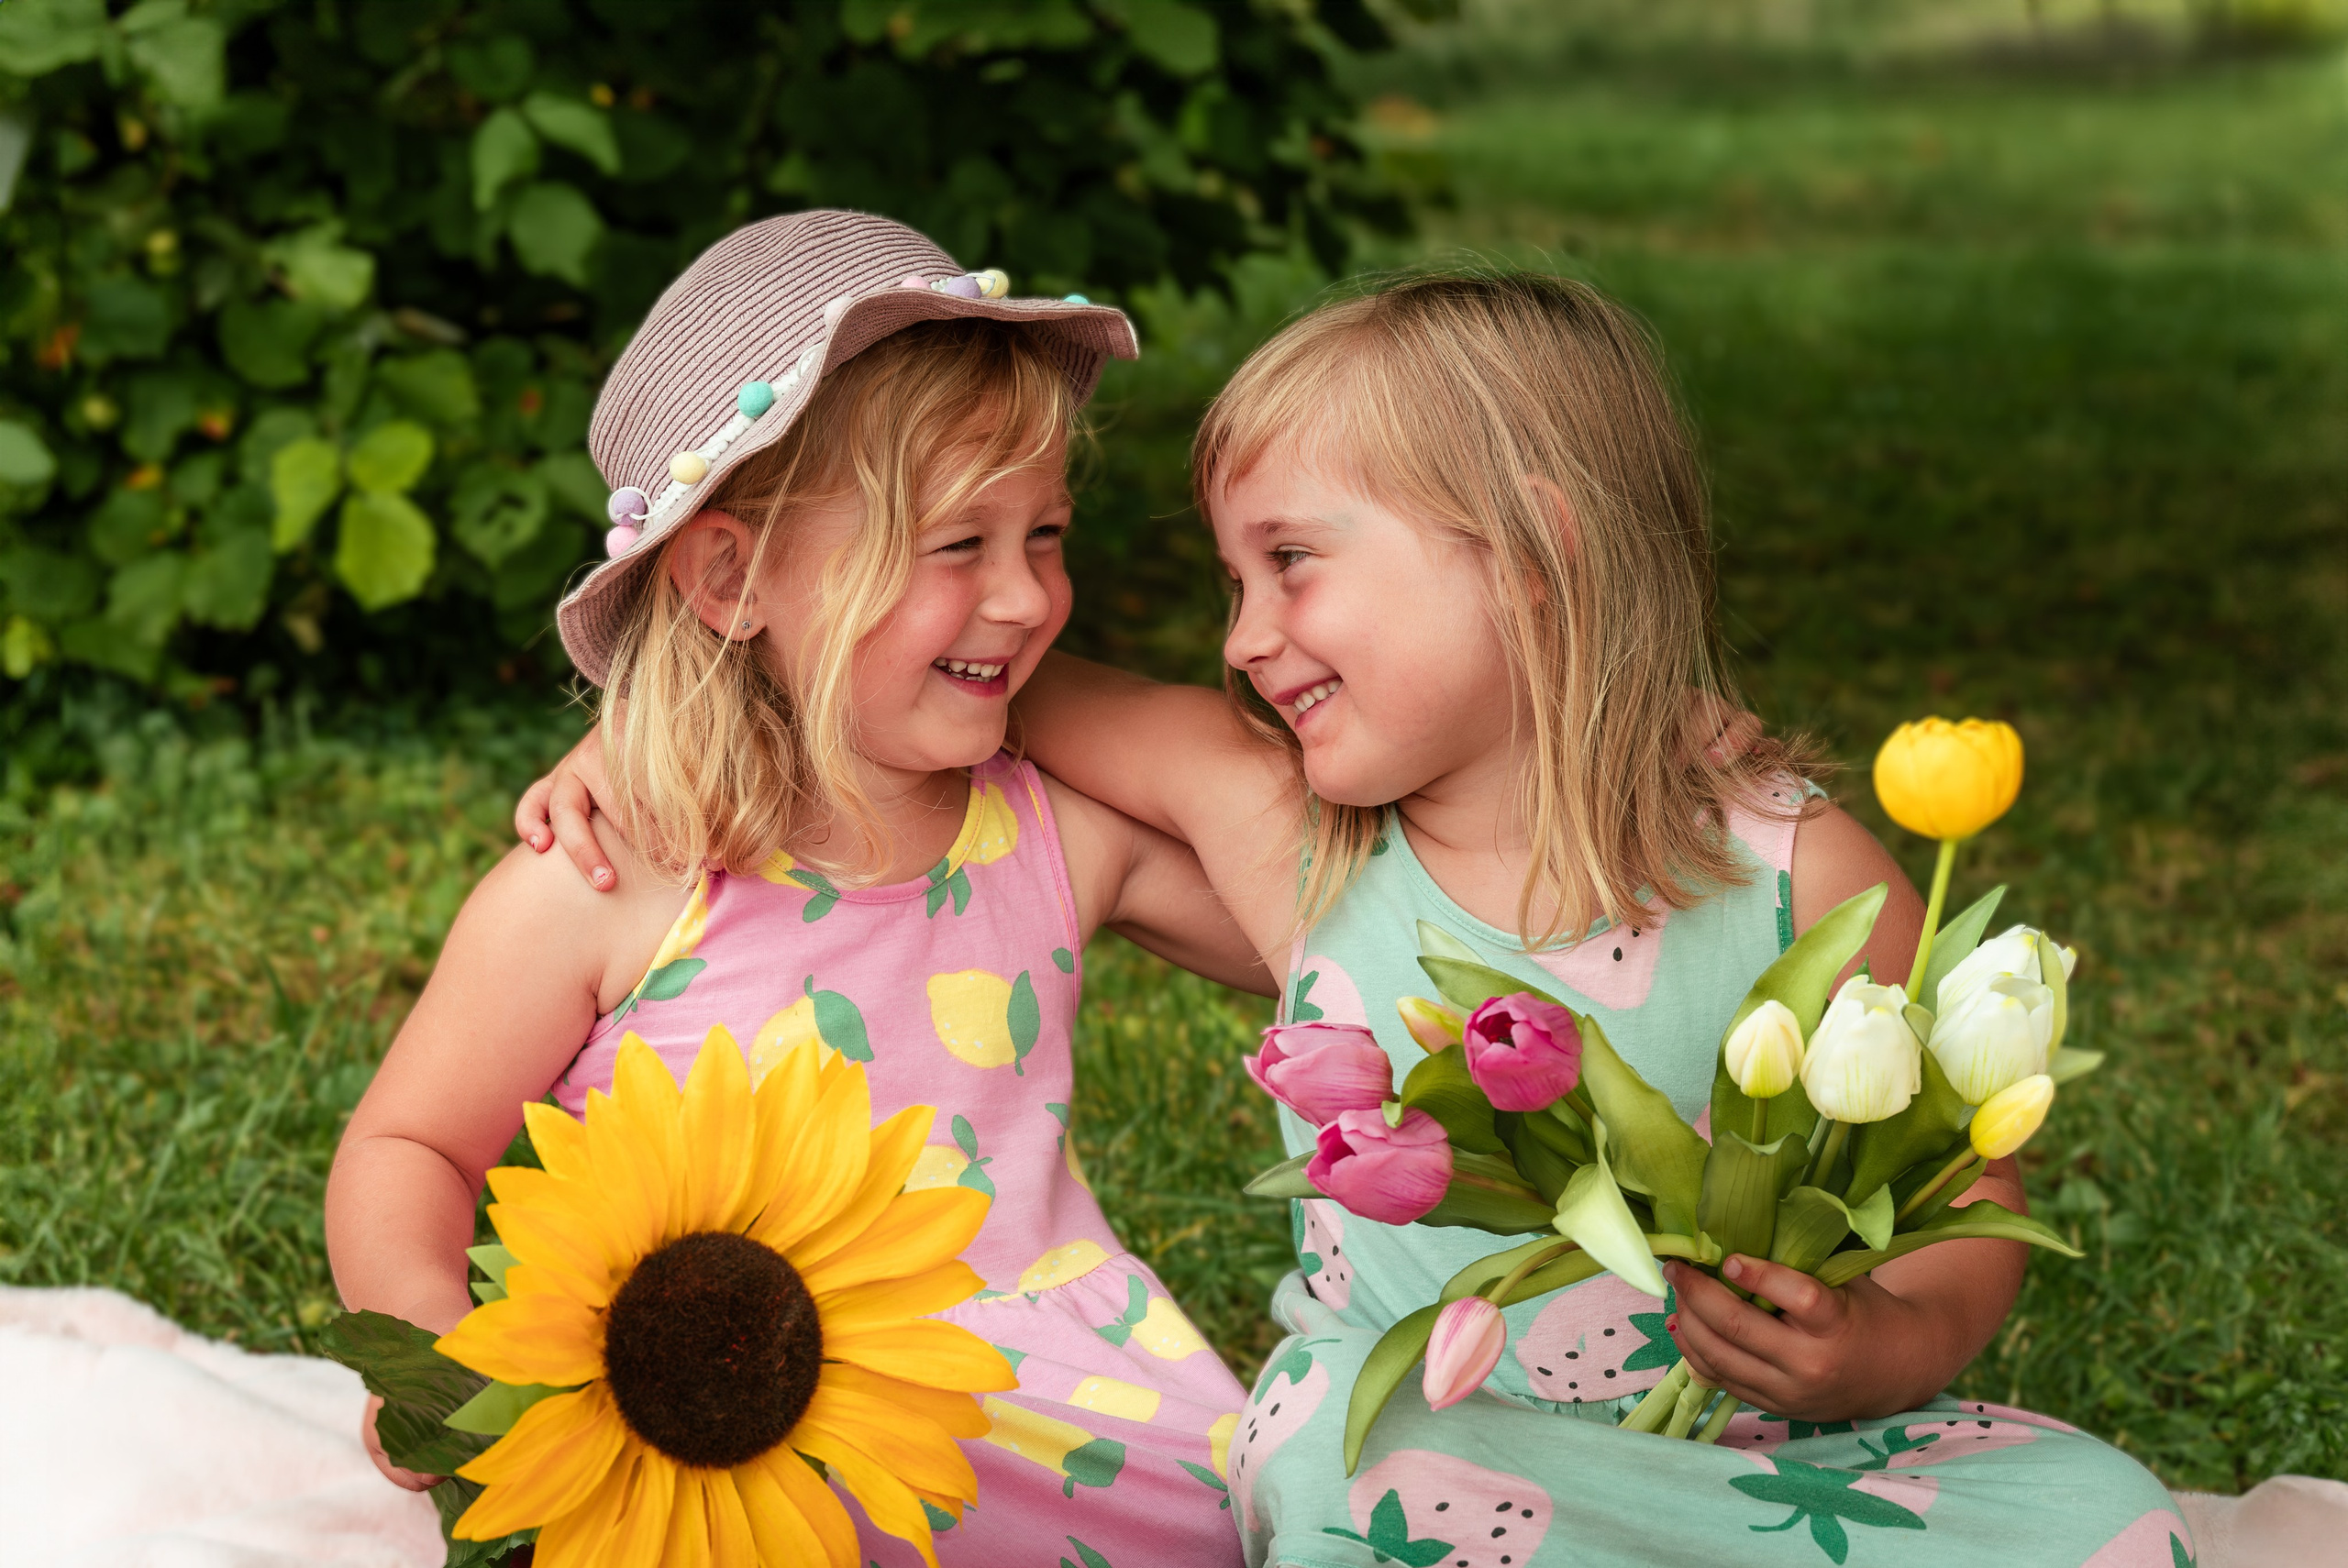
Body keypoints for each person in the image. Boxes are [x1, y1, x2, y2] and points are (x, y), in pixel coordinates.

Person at [519, 270, 2193, 1565]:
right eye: (1234, 582)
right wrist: (690, 684)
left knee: (2109, 1507)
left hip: (1765, 1462)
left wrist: (1888, 1351)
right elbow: (952, 675)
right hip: (1450, 1449)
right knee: (1350, 1464)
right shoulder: (1301, 849)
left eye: (1290, 564)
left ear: (1534, 552)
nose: (1245, 638)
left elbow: (1973, 1183)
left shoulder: (1797, 874)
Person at [330, 210, 1266, 1568]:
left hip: (1070, 1418)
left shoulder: (1046, 834)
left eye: (1047, 535)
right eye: (958, 546)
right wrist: (435, 1353)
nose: (1024, 598)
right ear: (732, 574)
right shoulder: (611, 878)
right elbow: (408, 1146)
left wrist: (1114, 722)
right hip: (729, 1442)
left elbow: (1313, 931)